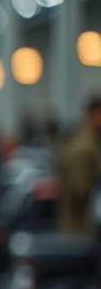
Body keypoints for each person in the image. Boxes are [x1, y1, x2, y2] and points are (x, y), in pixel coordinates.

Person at [55, 96, 101, 235]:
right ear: (94, 114)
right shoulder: (84, 148)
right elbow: (79, 191)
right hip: (81, 229)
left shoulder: (83, 143)